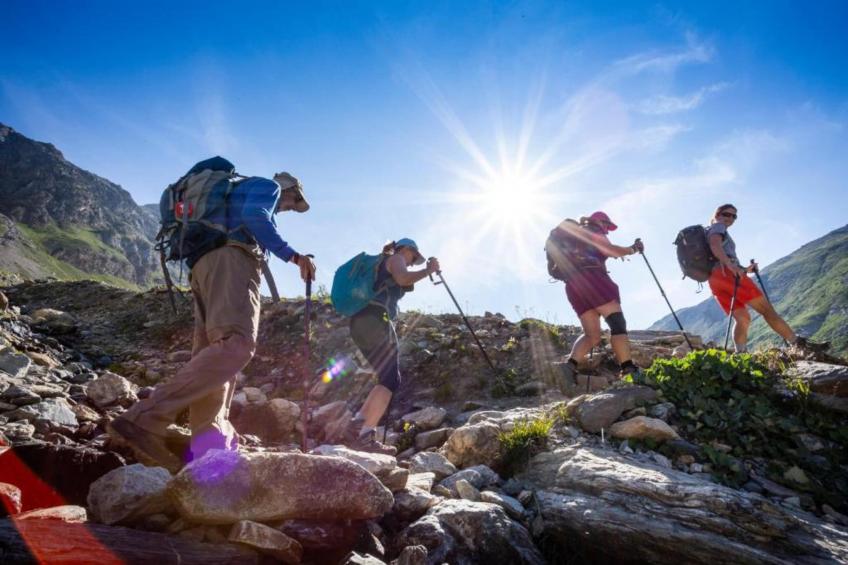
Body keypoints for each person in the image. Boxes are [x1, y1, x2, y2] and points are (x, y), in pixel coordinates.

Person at [109, 167, 316, 472]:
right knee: (237, 344)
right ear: (289, 191)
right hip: (233, 261)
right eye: (290, 204)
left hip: (205, 266)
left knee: (214, 354)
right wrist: (294, 256)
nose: (285, 209)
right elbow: (256, 215)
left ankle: (209, 441)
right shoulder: (267, 188)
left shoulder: (232, 192)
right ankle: (144, 419)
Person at [340, 238, 440, 454]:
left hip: (361, 321)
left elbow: (402, 282)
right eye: (414, 257)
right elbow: (403, 278)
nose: (412, 262)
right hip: (374, 319)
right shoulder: (394, 258)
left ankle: (357, 427)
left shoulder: (384, 263)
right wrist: (428, 269)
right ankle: (365, 434)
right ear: (406, 250)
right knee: (391, 378)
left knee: (386, 377)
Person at [706, 203, 820, 353]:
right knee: (767, 310)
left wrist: (745, 269)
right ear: (718, 214)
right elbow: (715, 245)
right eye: (727, 214)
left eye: (734, 216)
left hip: (714, 280)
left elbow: (718, 257)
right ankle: (798, 344)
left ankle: (740, 354)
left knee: (743, 318)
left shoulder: (707, 230)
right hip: (728, 274)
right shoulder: (718, 226)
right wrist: (730, 265)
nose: (731, 218)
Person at [556, 211, 644, 388]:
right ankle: (628, 368)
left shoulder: (574, 235)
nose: (607, 231)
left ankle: (568, 368)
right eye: (607, 226)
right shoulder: (594, 231)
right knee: (617, 324)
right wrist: (633, 249)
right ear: (600, 222)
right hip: (595, 280)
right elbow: (610, 251)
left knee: (592, 335)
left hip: (573, 286)